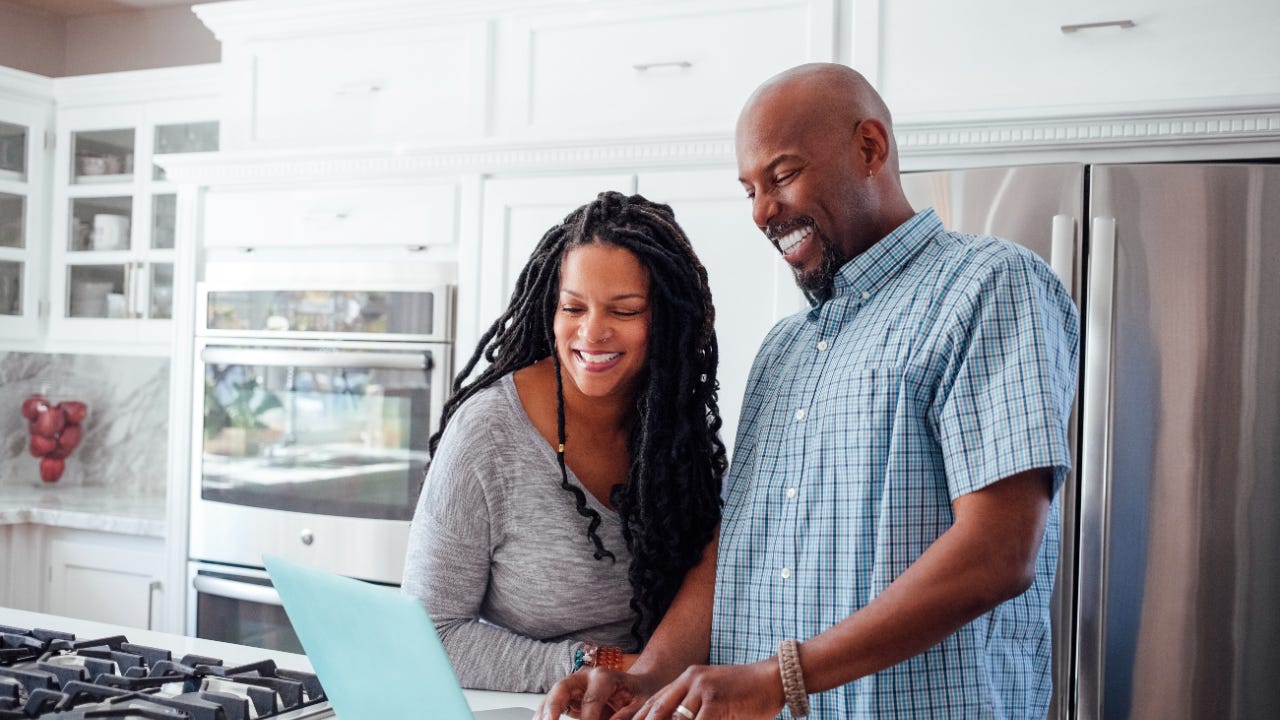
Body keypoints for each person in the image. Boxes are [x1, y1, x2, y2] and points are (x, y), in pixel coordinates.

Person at [539, 63, 1080, 719]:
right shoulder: (784, 349)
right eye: (749, 190)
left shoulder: (987, 286)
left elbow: (997, 552)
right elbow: (731, 554)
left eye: (783, 175)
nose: (764, 210)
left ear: (870, 148)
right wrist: (648, 675)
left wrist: (782, 679)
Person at [402, 191, 727, 693]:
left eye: (624, 311)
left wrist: (642, 677)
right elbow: (429, 634)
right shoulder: (487, 433)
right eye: (573, 307)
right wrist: (605, 665)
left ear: (666, 321)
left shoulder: (674, 429)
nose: (591, 332)